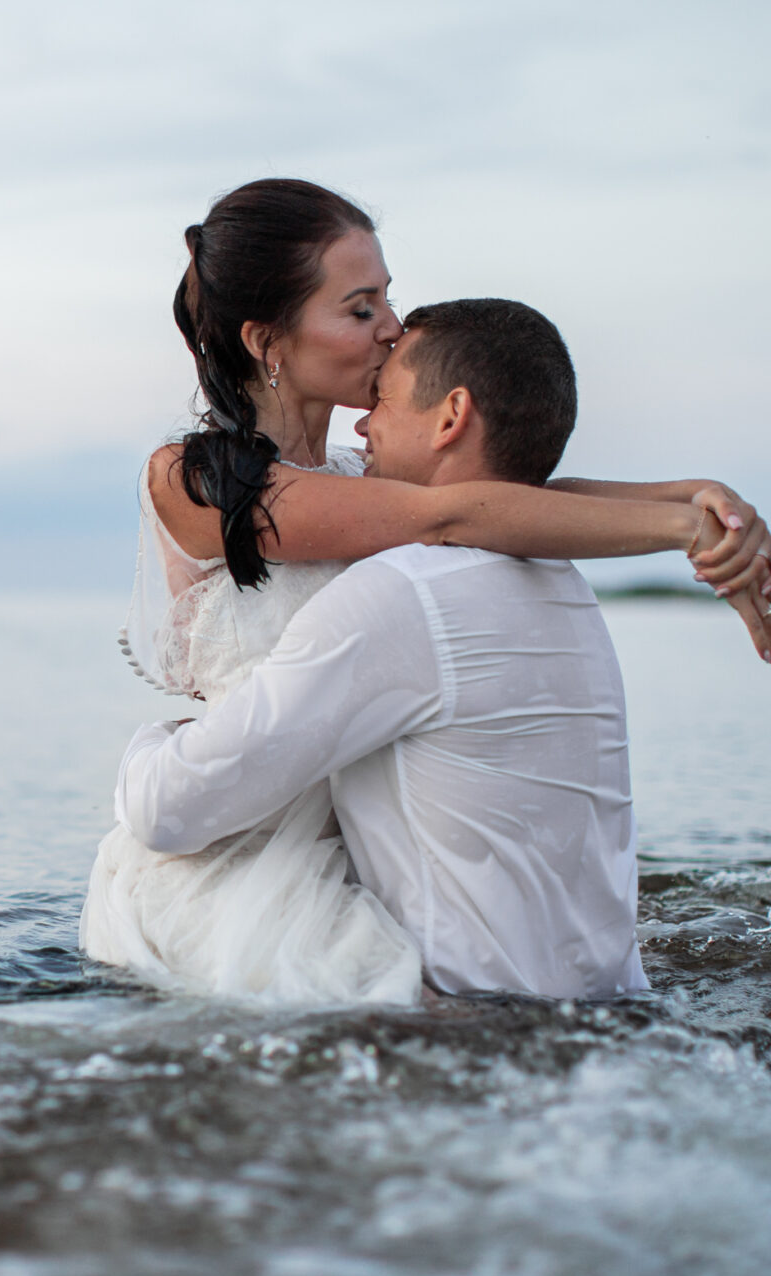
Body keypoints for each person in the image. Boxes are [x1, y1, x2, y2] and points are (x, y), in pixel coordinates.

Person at [81, 178, 771, 1005]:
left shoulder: (364, 479)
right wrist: (683, 529)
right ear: (268, 341)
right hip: (241, 855)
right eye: (360, 309)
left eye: (387, 298)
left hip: (367, 849)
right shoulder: (198, 479)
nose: (392, 326)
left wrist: (695, 496)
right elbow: (455, 511)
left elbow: (496, 506)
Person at [110, 298, 708, 999]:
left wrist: (157, 740)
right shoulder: (560, 576)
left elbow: (168, 811)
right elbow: (506, 503)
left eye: (385, 399)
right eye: (363, 307)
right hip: (614, 1001)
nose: (365, 418)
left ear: (451, 417)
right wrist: (691, 503)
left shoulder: (400, 594)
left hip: (472, 1031)